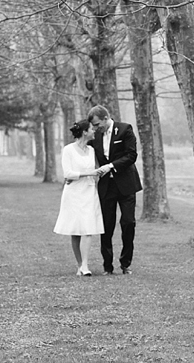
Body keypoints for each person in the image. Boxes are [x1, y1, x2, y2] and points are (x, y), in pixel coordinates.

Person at [87, 104, 142, 276]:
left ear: (105, 118)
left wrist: (110, 166)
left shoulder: (125, 129)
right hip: (106, 187)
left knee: (128, 223)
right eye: (93, 126)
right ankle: (107, 266)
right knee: (106, 226)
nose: (95, 128)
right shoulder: (95, 135)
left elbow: (131, 155)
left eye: (97, 124)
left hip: (126, 184)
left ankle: (125, 263)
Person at [53, 119, 111, 276]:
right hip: (74, 193)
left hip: (89, 191)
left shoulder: (92, 151)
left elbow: (96, 169)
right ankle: (80, 265)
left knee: (88, 228)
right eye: (92, 129)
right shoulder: (68, 150)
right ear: (85, 132)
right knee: (76, 230)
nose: (94, 131)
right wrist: (88, 173)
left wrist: (98, 174)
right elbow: (67, 173)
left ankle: (85, 265)